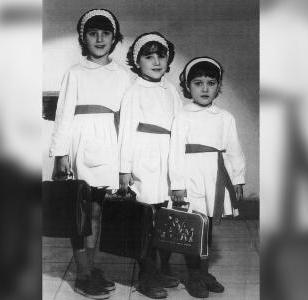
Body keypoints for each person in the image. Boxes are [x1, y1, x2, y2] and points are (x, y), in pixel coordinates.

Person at [49, 9, 131, 299]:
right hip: (80, 144)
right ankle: (83, 273)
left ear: (114, 38)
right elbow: (63, 116)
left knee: (97, 211)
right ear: (83, 38)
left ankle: (89, 267)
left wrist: (126, 160)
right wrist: (60, 156)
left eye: (105, 33)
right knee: (79, 212)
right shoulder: (75, 72)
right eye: (93, 33)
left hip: (110, 144)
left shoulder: (122, 75)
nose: (99, 39)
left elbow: (128, 120)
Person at [169, 57, 246, 298]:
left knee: (208, 228)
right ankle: (193, 276)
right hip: (191, 177)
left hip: (216, 178)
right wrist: (178, 185)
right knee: (193, 228)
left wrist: (238, 179)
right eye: (198, 83)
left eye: (210, 83)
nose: (204, 89)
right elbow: (175, 152)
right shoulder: (183, 116)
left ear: (218, 87)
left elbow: (234, 150)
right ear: (188, 87)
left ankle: (203, 271)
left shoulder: (225, 117)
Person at [118, 32, 182, 299]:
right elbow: (125, 132)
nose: (156, 61)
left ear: (168, 60)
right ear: (137, 61)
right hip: (143, 156)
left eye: (161, 56)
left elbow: (180, 128)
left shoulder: (173, 92)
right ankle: (145, 275)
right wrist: (125, 168)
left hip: (169, 156)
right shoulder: (134, 91)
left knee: (164, 218)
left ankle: (159, 269)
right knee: (144, 219)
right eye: (149, 56)